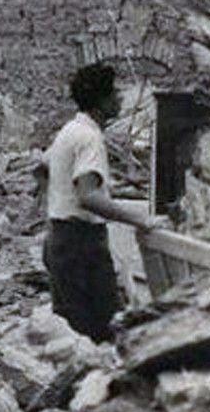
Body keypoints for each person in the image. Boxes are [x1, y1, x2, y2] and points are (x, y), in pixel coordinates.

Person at [40, 63, 169, 343]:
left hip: (60, 237)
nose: (120, 99)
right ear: (101, 101)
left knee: (70, 329)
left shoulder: (70, 130)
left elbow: (41, 167)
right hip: (82, 244)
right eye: (114, 94)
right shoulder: (90, 138)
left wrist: (51, 207)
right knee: (102, 329)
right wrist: (142, 219)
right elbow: (88, 197)